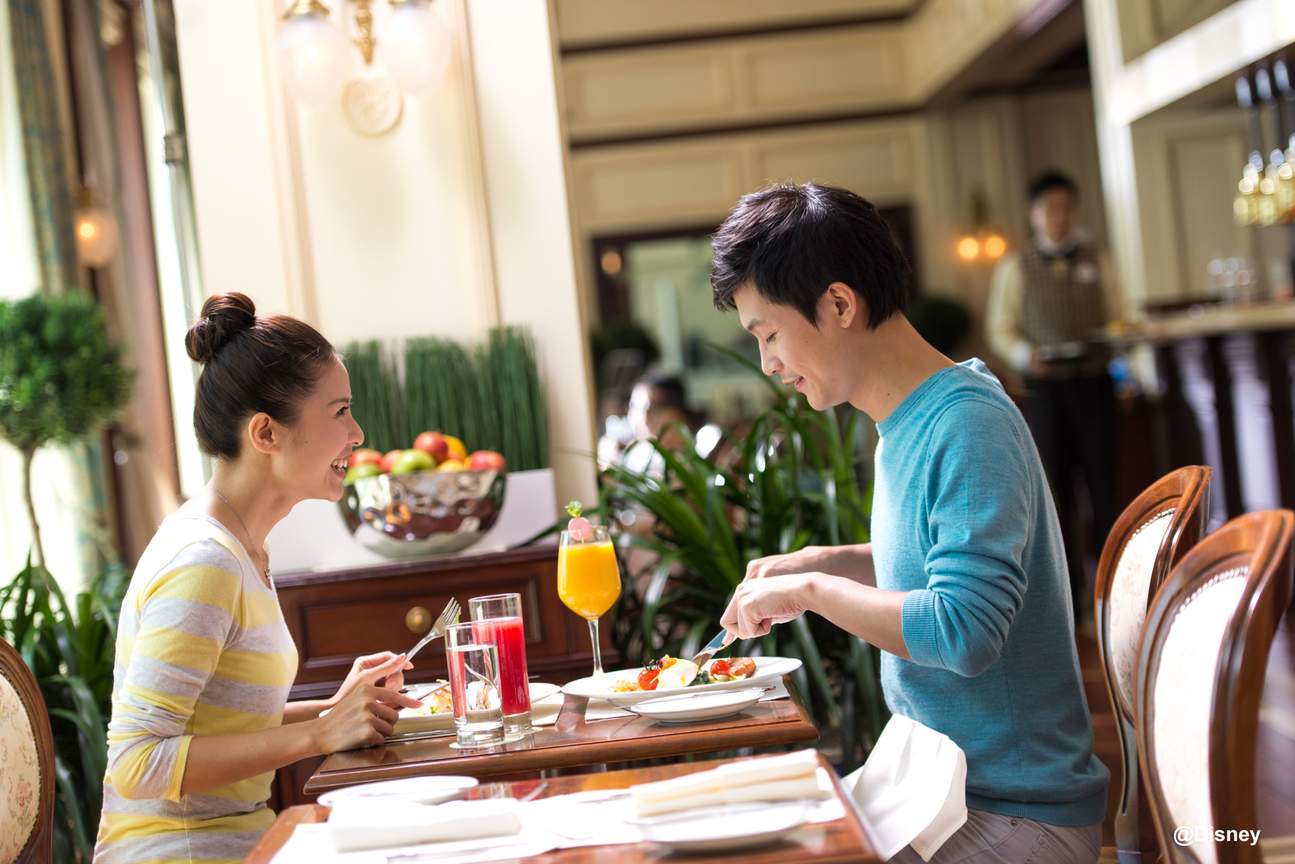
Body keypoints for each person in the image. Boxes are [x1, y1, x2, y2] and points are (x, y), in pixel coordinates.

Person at [711, 183, 1107, 863]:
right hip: (936, 791)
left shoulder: (966, 422)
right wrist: (819, 563)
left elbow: (963, 630)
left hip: (1010, 813)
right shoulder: (910, 419)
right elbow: (933, 561)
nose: (767, 363)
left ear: (839, 303)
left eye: (768, 334)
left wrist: (809, 596)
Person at [94, 293, 422, 863]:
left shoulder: (243, 549)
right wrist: (319, 734)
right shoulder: (204, 562)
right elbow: (137, 762)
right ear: (266, 433)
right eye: (340, 411)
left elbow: (218, 725)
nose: (358, 434)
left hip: (240, 841)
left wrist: (333, 709)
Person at [986, 170, 1122, 622]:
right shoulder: (1015, 265)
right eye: (1049, 208)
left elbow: (1118, 314)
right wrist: (1027, 355)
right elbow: (1001, 329)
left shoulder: (1095, 257)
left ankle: (1114, 593)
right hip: (1044, 391)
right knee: (1056, 492)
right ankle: (1071, 601)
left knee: (1105, 487)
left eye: (1065, 207)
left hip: (1094, 383)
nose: (1058, 216)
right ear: (1034, 214)